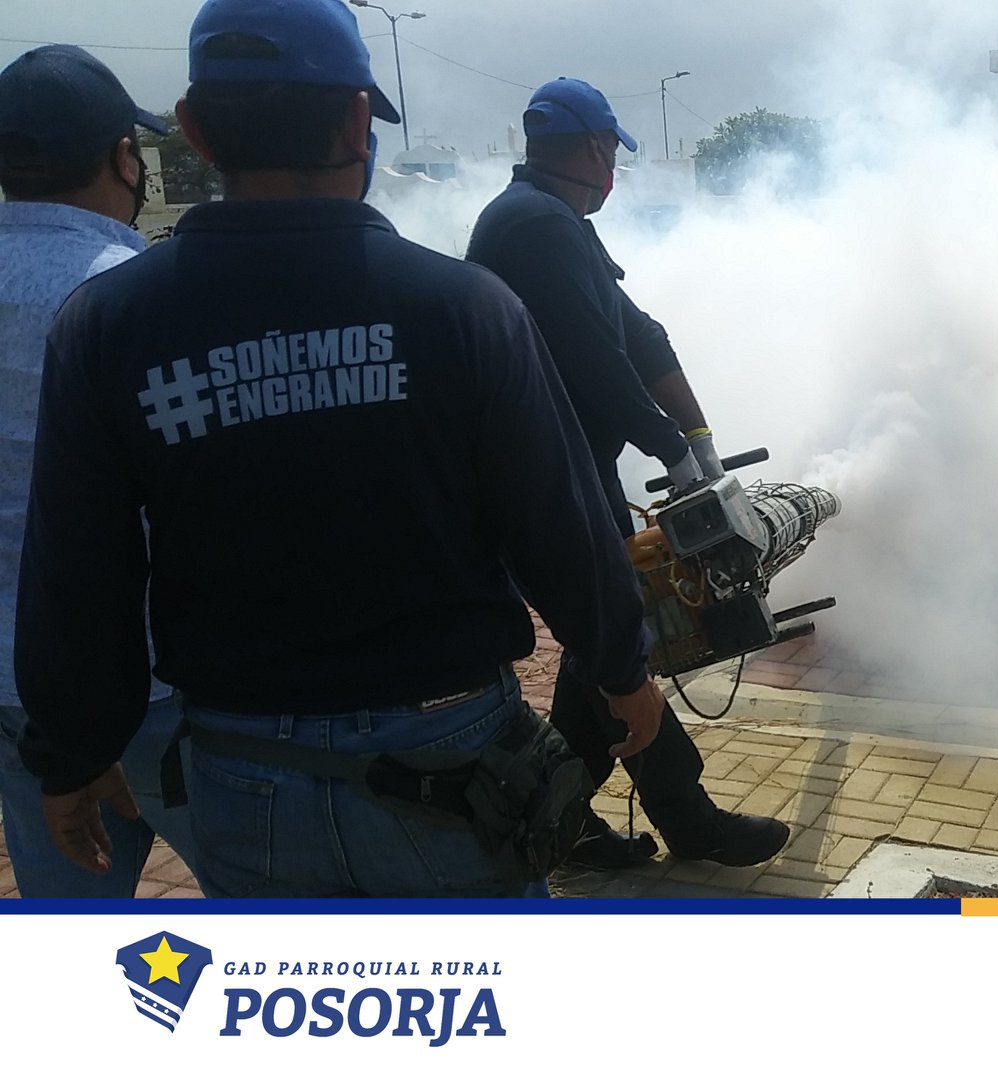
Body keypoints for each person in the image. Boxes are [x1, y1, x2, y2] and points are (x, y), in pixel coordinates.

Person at [14, 0, 667, 898]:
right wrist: (622, 667)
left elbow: (78, 568)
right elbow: (558, 520)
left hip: (240, 769)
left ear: (194, 130)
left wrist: (71, 751)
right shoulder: (462, 308)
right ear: (359, 121)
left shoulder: (106, 323)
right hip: (451, 762)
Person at [466, 77, 787, 869]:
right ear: (595, 147)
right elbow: (597, 362)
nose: (613, 170)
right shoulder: (537, 226)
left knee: (601, 651)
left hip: (570, 472)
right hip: (543, 483)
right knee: (613, 636)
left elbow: (640, 335)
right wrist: (671, 449)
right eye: (611, 152)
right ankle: (684, 819)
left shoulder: (554, 222)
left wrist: (699, 437)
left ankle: (567, 818)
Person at [0, 44, 199, 896]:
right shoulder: (144, 295)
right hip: (159, 685)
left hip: (18, 690)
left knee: (70, 926)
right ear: (125, 158)